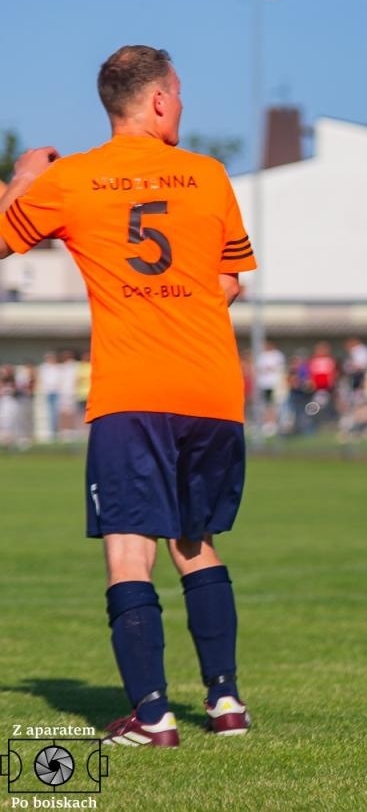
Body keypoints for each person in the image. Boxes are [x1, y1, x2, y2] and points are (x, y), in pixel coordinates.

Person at [0, 46, 256, 745]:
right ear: (163, 100)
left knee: (127, 550)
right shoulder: (209, 176)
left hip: (131, 390)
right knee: (194, 541)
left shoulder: (75, 179)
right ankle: (226, 705)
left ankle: (152, 716)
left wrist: (21, 178)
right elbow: (231, 283)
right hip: (211, 389)